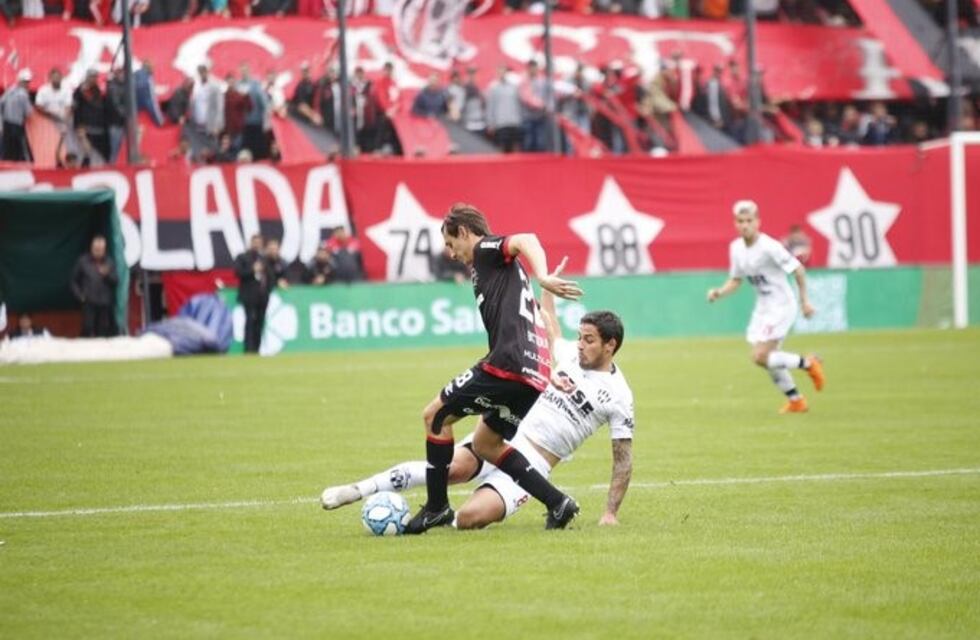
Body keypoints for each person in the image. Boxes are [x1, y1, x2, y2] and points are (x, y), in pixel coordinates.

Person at [322, 297, 635, 530]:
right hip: (502, 436)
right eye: (579, 337)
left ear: (610, 345)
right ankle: (357, 490)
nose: (579, 345)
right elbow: (551, 324)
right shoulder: (568, 354)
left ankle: (435, 521)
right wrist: (547, 287)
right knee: (449, 470)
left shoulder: (619, 396)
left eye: (589, 340)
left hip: (537, 463)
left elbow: (623, 460)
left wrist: (610, 513)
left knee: (471, 518)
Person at [403, 203, 584, 534]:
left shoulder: (486, 250)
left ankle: (436, 507)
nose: (450, 253)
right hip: (533, 376)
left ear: (464, 232)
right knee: (487, 444)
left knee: (434, 416)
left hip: (507, 365)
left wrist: (543, 275)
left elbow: (526, 238)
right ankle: (558, 503)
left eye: (449, 243)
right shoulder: (496, 271)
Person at [706, 200, 825, 413]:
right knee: (767, 359)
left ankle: (808, 363)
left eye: (749, 221)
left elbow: (798, 270)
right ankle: (796, 400)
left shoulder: (769, 247)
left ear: (758, 222)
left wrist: (805, 301)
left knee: (760, 355)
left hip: (781, 306)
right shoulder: (736, 248)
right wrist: (719, 292)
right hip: (763, 308)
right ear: (735, 223)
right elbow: (736, 279)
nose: (745, 225)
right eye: (741, 221)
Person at [71, 235, 119, 337]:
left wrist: (107, 275)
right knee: (88, 327)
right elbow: (74, 281)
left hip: (104, 303)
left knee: (103, 329)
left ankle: (101, 351)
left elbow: (116, 281)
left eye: (100, 249)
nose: (97, 251)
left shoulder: (109, 262)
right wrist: (80, 296)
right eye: (96, 249)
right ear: (91, 248)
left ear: (104, 249)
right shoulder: (83, 261)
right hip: (89, 302)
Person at [233, 234, 273, 354]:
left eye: (259, 242)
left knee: (260, 322)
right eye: (255, 242)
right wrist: (252, 270)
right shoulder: (243, 257)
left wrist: (268, 290)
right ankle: (248, 349)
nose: (257, 244)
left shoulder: (264, 258)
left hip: (262, 295)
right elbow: (238, 273)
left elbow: (270, 276)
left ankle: (257, 348)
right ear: (251, 243)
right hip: (249, 295)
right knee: (249, 321)